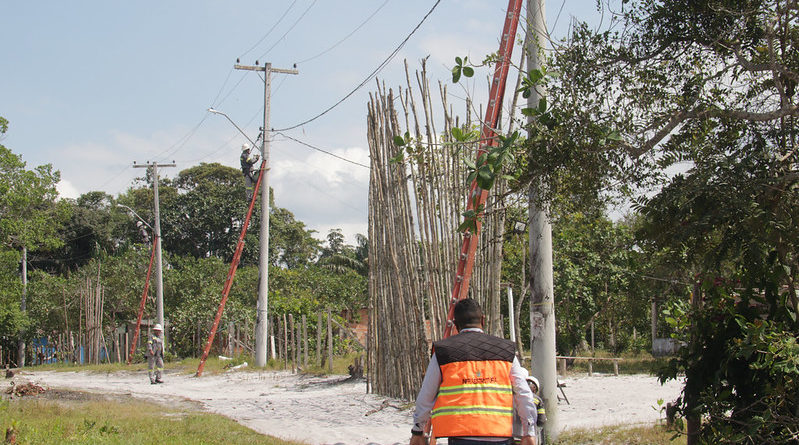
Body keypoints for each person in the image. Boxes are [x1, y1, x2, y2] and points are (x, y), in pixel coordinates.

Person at [410, 298, 537, 445]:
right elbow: (523, 393)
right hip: (500, 435)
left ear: (456, 325)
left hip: (460, 436)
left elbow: (426, 396)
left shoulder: (443, 351)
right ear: (483, 320)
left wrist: (418, 431)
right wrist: (529, 432)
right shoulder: (506, 350)